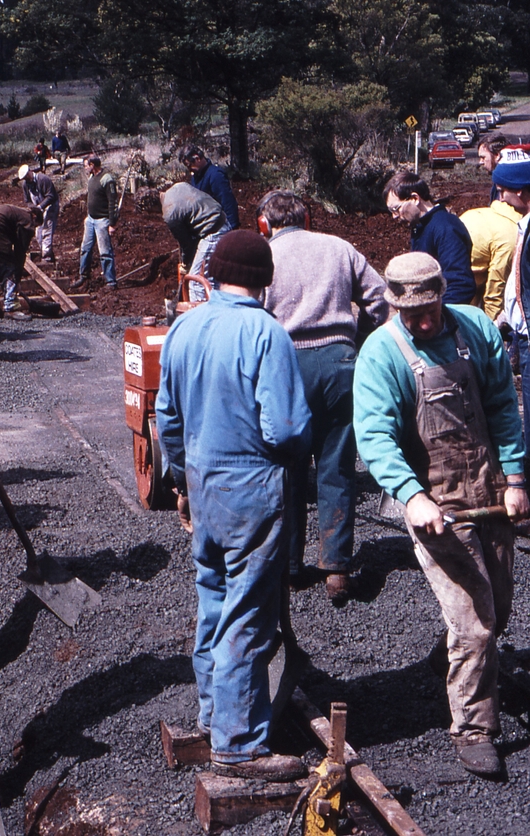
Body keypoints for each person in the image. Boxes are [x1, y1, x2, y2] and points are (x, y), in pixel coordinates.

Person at [353, 252, 529, 778]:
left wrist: (516, 477)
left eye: (431, 309)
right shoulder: (380, 354)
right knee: (477, 628)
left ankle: (452, 655)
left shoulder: (474, 328)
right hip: (436, 502)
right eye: (414, 315)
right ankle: (475, 728)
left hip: (491, 490)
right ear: (395, 306)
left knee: (495, 610)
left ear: (441, 295)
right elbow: (376, 439)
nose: (425, 322)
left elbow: (502, 403)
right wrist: (412, 496)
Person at [156, 230, 311, 777]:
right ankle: (239, 745)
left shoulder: (183, 327)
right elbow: (287, 430)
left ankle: (212, 715)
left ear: (215, 275)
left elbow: (166, 420)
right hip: (251, 488)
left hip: (202, 483)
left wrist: (182, 480)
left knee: (213, 598)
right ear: (265, 280)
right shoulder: (266, 334)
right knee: (248, 611)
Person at [257, 190, 388, 601]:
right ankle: (336, 567)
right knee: (337, 465)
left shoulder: (264, 257)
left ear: (265, 223)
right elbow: (381, 299)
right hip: (339, 366)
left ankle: (292, 567)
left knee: (289, 466)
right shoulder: (339, 247)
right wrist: (359, 336)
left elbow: (250, 313)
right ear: (306, 217)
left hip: (286, 365)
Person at [384, 170, 476, 305]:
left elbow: (460, 285)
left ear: (415, 199)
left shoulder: (446, 227)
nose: (394, 216)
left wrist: (435, 318)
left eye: (396, 209)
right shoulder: (420, 226)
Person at [497, 160, 530, 446]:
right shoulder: (524, 225)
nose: (500, 199)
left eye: (503, 191)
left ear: (520, 191)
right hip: (521, 334)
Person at [160, 181, 230, 301]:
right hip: (223, 221)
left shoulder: (169, 214)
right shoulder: (178, 186)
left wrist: (186, 263)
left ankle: (201, 316)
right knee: (214, 278)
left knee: (196, 281)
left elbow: (186, 244)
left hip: (213, 232)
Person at [459, 197, 521, 322]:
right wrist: (490, 324)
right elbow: (496, 285)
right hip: (465, 272)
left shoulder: (489, 214)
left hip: (467, 264)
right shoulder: (511, 236)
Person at [72, 155, 119, 290]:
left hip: (102, 221)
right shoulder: (92, 178)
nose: (85, 168)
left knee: (104, 252)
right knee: (85, 248)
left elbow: (112, 203)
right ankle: (84, 275)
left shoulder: (107, 179)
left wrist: (112, 223)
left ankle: (111, 282)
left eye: (86, 165)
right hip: (91, 220)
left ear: (92, 165)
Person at [180, 145, 240, 230]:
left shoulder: (216, 175)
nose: (189, 169)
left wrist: (232, 228)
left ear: (197, 158)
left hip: (220, 227)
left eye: (190, 165)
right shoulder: (196, 177)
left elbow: (227, 202)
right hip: (205, 227)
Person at [18, 163, 59, 264]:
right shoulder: (25, 185)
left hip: (50, 206)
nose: (27, 179)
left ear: (31, 172)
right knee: (38, 233)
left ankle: (47, 257)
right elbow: (27, 200)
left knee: (46, 230)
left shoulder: (43, 179)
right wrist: (33, 209)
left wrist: (40, 207)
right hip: (38, 209)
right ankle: (47, 252)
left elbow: (50, 196)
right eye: (25, 178)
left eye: (27, 176)